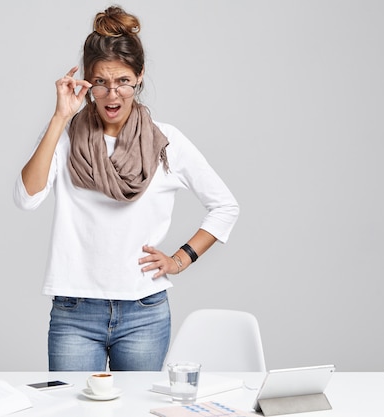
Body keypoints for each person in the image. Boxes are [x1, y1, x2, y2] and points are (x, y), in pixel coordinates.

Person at [13, 6, 239, 371]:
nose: (112, 93)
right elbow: (26, 198)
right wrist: (59, 117)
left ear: (139, 76)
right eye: (100, 82)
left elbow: (225, 206)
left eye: (123, 81)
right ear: (86, 82)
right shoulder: (66, 135)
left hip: (144, 312)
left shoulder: (166, 142)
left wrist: (180, 259)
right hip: (75, 310)